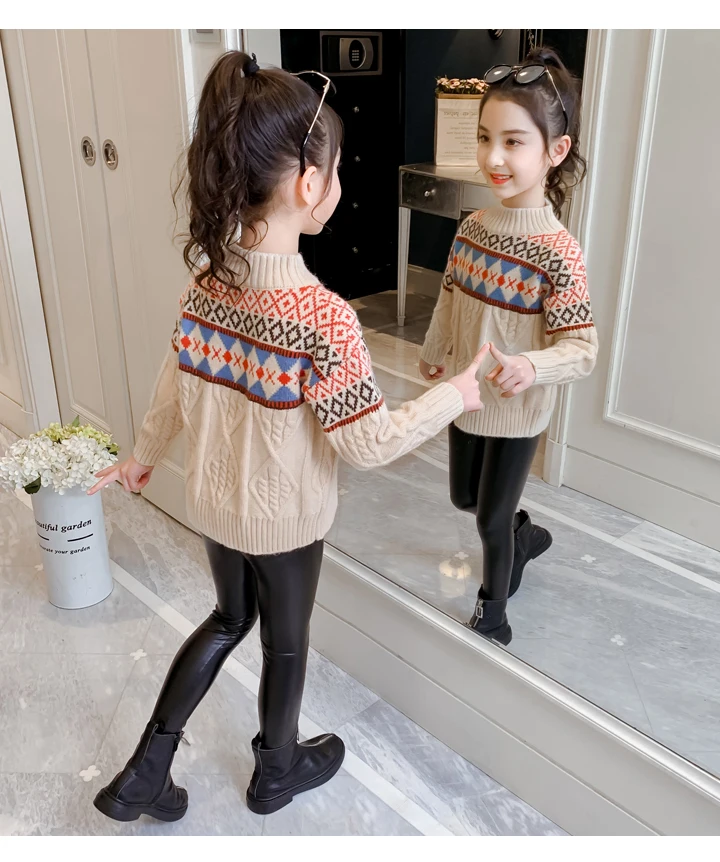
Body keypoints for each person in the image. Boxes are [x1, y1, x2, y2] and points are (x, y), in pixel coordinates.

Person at [88, 51, 487, 824]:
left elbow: (172, 385)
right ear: (308, 184)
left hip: (215, 506)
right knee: (286, 643)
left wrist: (143, 458)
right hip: (287, 522)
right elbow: (368, 443)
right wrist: (455, 395)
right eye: (335, 172)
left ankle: (146, 767)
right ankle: (277, 770)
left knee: (228, 618)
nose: (337, 185)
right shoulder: (322, 319)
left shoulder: (205, 286)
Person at [419, 47, 598, 646]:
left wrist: (529, 364)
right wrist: (435, 349)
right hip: (467, 395)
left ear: (556, 151)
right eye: (485, 138)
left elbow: (581, 348)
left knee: (489, 518)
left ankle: (493, 614)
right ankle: (523, 536)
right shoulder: (472, 229)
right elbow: (450, 298)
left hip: (519, 408)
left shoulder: (559, 253)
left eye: (514, 142)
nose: (493, 157)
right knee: (464, 498)